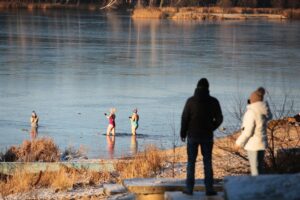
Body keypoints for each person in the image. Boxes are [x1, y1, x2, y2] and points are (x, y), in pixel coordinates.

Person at [180, 78, 223, 196]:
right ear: (208, 88)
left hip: (192, 135)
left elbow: (184, 118)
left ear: (197, 87)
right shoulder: (214, 101)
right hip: (207, 136)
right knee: (207, 162)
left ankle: (189, 189)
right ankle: (209, 189)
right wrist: (211, 127)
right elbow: (219, 119)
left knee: (191, 162)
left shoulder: (190, 101)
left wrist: (183, 133)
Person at [235, 87, 272, 176]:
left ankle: (257, 188)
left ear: (253, 101)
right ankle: (262, 185)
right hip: (261, 143)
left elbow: (248, 131)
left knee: (255, 169)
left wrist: (238, 143)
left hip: (253, 144)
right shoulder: (262, 111)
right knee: (260, 167)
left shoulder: (251, 112)